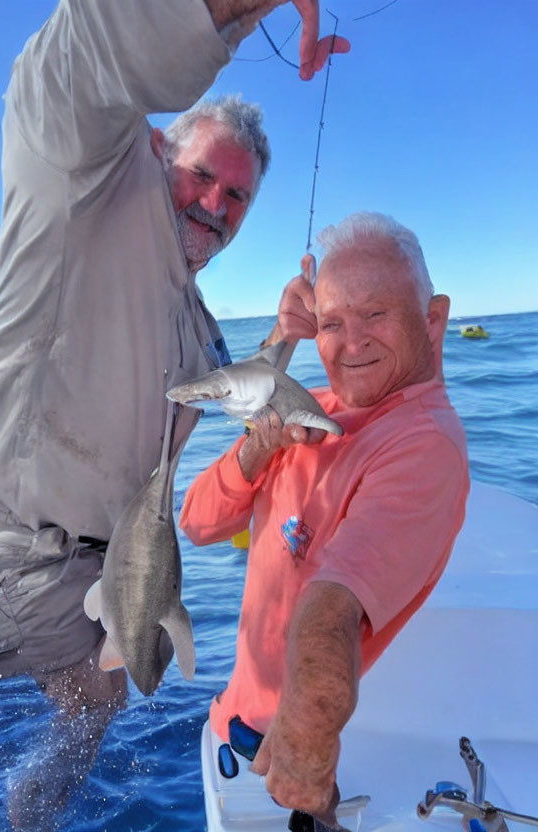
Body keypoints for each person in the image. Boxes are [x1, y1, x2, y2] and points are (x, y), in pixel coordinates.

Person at [0, 0, 349, 827]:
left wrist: (287, 336)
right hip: (13, 554)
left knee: (129, 689)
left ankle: (33, 804)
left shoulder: (191, 320)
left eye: (237, 196)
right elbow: (89, 45)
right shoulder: (79, 181)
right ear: (158, 149)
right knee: (106, 695)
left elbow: (240, 386)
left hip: (111, 557)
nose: (216, 204)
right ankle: (27, 811)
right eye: (203, 174)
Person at [180, 211, 470, 824]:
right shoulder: (310, 410)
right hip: (233, 719)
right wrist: (259, 448)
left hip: (281, 747)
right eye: (332, 322)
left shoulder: (422, 447)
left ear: (434, 320)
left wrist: (308, 737)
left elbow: (332, 607)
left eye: (376, 314)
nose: (352, 341)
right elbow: (196, 523)